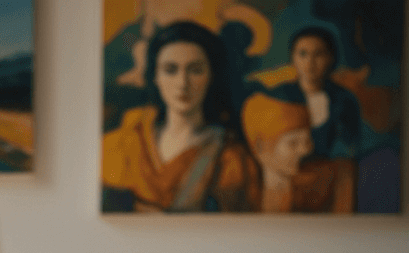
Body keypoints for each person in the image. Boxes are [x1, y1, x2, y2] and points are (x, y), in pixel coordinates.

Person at [102, 21, 259, 212]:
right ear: (155, 77)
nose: (182, 83)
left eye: (195, 70)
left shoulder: (231, 158)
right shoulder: (122, 142)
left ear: (211, 76)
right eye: (170, 70)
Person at [241, 92, 354, 212]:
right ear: (260, 147)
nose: (305, 150)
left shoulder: (324, 187)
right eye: (293, 143)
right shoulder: (245, 194)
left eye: (307, 141)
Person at [273, 26, 361, 160]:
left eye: (318, 54)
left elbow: (351, 148)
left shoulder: (344, 100)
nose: (310, 62)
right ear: (292, 58)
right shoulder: (280, 97)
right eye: (303, 54)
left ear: (331, 58)